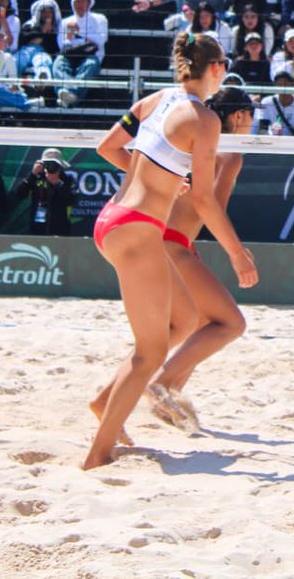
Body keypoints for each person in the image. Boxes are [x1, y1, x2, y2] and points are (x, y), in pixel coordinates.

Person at [88, 32, 257, 470]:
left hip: (111, 218)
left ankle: (107, 407)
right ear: (216, 67)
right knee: (150, 352)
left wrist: (162, 178)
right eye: (225, 60)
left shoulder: (156, 99)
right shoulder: (206, 120)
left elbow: (107, 147)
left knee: (180, 322)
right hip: (140, 229)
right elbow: (205, 202)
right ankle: (97, 455)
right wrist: (237, 253)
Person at [145, 88, 255, 430]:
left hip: (158, 237)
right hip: (173, 243)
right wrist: (237, 253)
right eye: (251, 118)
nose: (253, 125)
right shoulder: (230, 154)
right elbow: (211, 208)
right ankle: (161, 384)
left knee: (196, 325)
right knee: (231, 324)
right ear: (237, 117)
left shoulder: (192, 138)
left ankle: (160, 393)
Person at [11, 147, 77, 235]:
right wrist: (32, 174)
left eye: (54, 164)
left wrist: (57, 183)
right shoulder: (36, 178)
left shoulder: (67, 179)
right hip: (38, 228)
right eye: (47, 164)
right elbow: (19, 194)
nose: (51, 167)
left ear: (60, 167)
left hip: (60, 228)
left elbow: (72, 200)